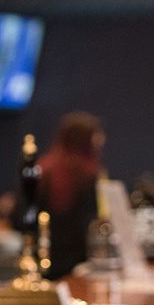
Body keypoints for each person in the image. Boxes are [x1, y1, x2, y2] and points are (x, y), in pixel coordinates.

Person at [29, 111, 104, 279]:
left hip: (41, 264)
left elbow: (20, 218)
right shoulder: (89, 176)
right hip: (79, 267)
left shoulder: (42, 170)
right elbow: (91, 224)